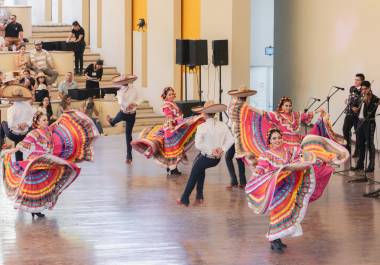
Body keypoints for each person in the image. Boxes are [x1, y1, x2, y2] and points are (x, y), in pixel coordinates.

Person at [246, 128, 348, 253]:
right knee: (277, 212)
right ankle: (274, 240)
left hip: (292, 186)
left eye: (279, 137)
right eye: (274, 138)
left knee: (288, 212)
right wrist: (254, 181)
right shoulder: (266, 156)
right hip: (277, 188)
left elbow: (307, 156)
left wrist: (324, 159)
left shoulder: (290, 150)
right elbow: (260, 170)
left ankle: (277, 239)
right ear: (270, 141)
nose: (277, 140)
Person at [2, 109, 99, 218]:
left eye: (46, 120)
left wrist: (63, 117)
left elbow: (54, 124)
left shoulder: (48, 130)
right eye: (43, 120)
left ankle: (37, 209)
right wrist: (9, 151)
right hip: (36, 162)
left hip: (46, 161)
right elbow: (22, 144)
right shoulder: (34, 133)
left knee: (43, 186)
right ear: (37, 122)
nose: (46, 122)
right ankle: (34, 210)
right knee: (34, 188)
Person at [132, 87, 204, 175]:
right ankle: (172, 169)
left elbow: (177, 116)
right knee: (172, 149)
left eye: (173, 94)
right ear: (165, 96)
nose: (172, 95)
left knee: (175, 148)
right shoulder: (166, 105)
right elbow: (169, 117)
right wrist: (172, 126)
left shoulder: (172, 103)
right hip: (171, 128)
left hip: (176, 125)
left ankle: (171, 168)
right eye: (169, 94)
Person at [177, 101, 234, 206]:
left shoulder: (202, 127)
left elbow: (198, 145)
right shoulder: (222, 125)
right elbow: (231, 140)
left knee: (194, 174)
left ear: (204, 113)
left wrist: (211, 150)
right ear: (215, 113)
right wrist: (222, 149)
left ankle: (185, 198)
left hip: (207, 157)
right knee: (199, 168)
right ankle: (199, 197)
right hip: (216, 159)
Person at [224, 87, 256, 189]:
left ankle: (237, 181)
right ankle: (239, 181)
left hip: (238, 134)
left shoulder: (242, 106)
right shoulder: (240, 105)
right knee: (236, 157)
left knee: (232, 157)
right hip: (236, 133)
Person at [106, 75, 139, 164]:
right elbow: (121, 102)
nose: (125, 83)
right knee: (116, 120)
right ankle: (112, 122)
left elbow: (138, 99)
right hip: (124, 113)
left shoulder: (133, 89)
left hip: (131, 114)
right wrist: (128, 105)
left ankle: (129, 157)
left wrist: (134, 104)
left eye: (125, 81)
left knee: (128, 135)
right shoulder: (120, 92)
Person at [0, 86, 35, 160]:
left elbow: (10, 125)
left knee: (3, 123)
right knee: (18, 146)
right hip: (25, 134)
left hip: (14, 135)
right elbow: (32, 119)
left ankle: (2, 143)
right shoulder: (28, 106)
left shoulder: (11, 109)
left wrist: (18, 126)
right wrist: (26, 124)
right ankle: (19, 163)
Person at [353, 81, 379, 172]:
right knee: (360, 144)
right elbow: (355, 105)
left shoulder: (375, 99)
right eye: (362, 89)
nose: (363, 91)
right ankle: (360, 164)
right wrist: (354, 108)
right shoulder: (360, 97)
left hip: (369, 122)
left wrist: (367, 101)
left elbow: (371, 111)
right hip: (360, 122)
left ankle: (371, 166)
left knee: (369, 144)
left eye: (365, 89)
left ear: (369, 88)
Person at [343, 73, 364, 157]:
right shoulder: (352, 88)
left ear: (362, 81)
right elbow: (351, 97)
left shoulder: (363, 90)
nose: (355, 81)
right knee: (345, 130)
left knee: (357, 133)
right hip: (349, 113)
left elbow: (361, 102)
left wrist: (356, 107)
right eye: (355, 79)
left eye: (358, 80)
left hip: (357, 115)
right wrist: (347, 100)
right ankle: (347, 149)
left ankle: (357, 151)